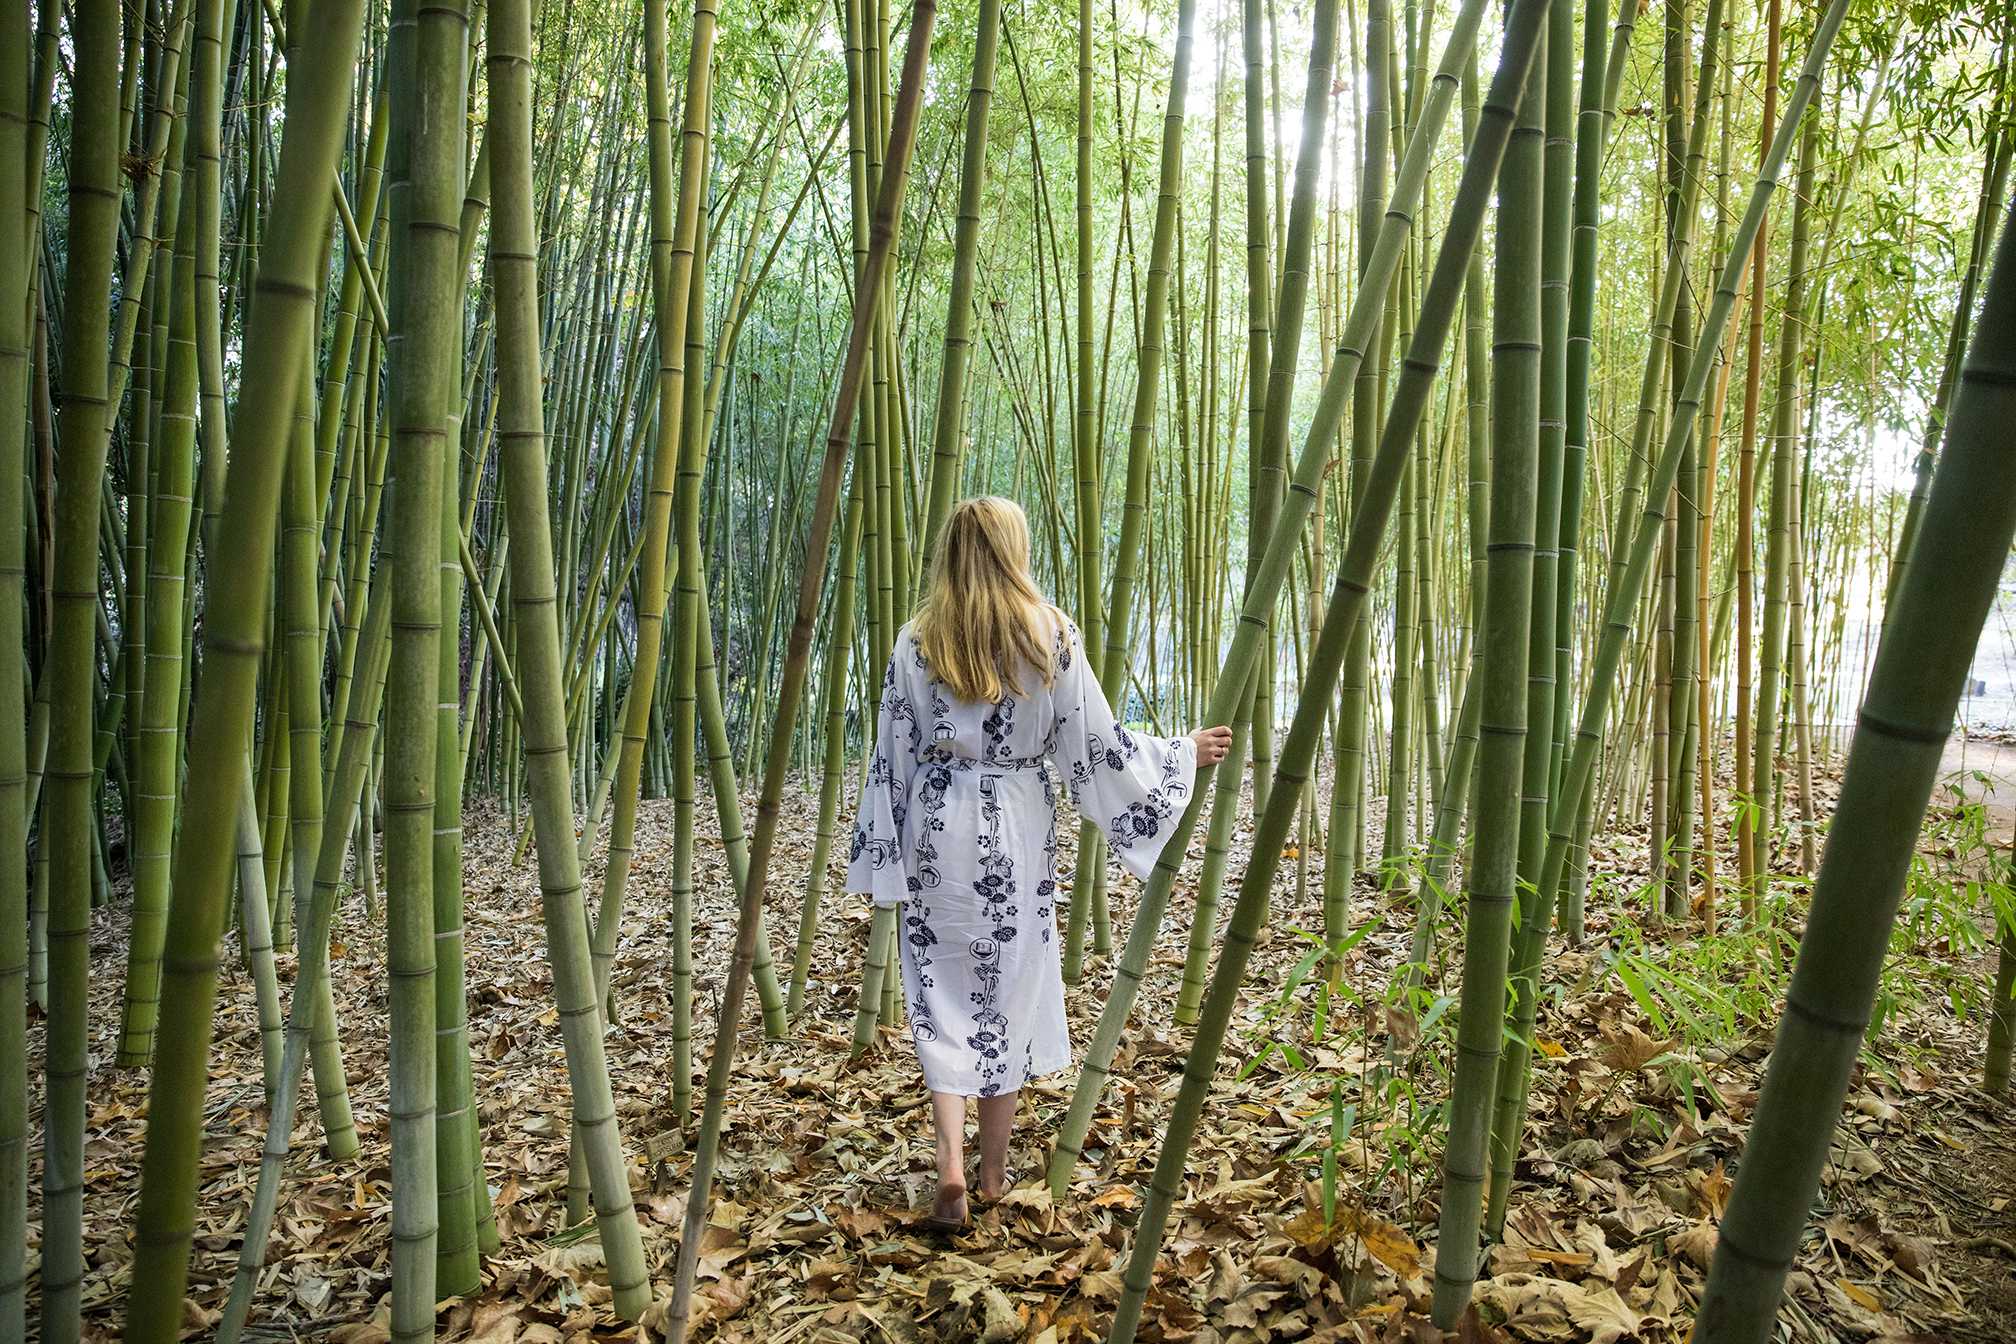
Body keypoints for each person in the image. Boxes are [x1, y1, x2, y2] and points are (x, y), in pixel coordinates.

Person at [847, 496, 1233, 1231]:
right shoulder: (1049, 633)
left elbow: (891, 756)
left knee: (939, 998)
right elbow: (1094, 745)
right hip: (1016, 828)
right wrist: (1179, 753)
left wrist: (881, 855)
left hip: (936, 822)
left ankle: (951, 1165)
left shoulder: (916, 639)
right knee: (1008, 997)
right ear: (1012, 549)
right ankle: (994, 1177)